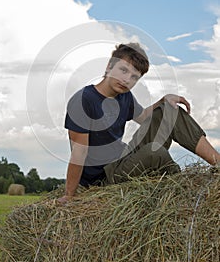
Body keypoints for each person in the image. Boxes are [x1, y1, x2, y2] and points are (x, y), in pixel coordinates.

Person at [58, 43, 220, 204]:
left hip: (122, 159)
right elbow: (79, 152)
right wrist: (70, 195)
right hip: (103, 178)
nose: (127, 79)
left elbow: (143, 117)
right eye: (123, 70)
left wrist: (163, 101)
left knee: (170, 111)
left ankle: (218, 166)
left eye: (134, 77)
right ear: (109, 66)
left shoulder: (124, 96)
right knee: (154, 152)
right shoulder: (83, 100)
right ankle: (188, 191)